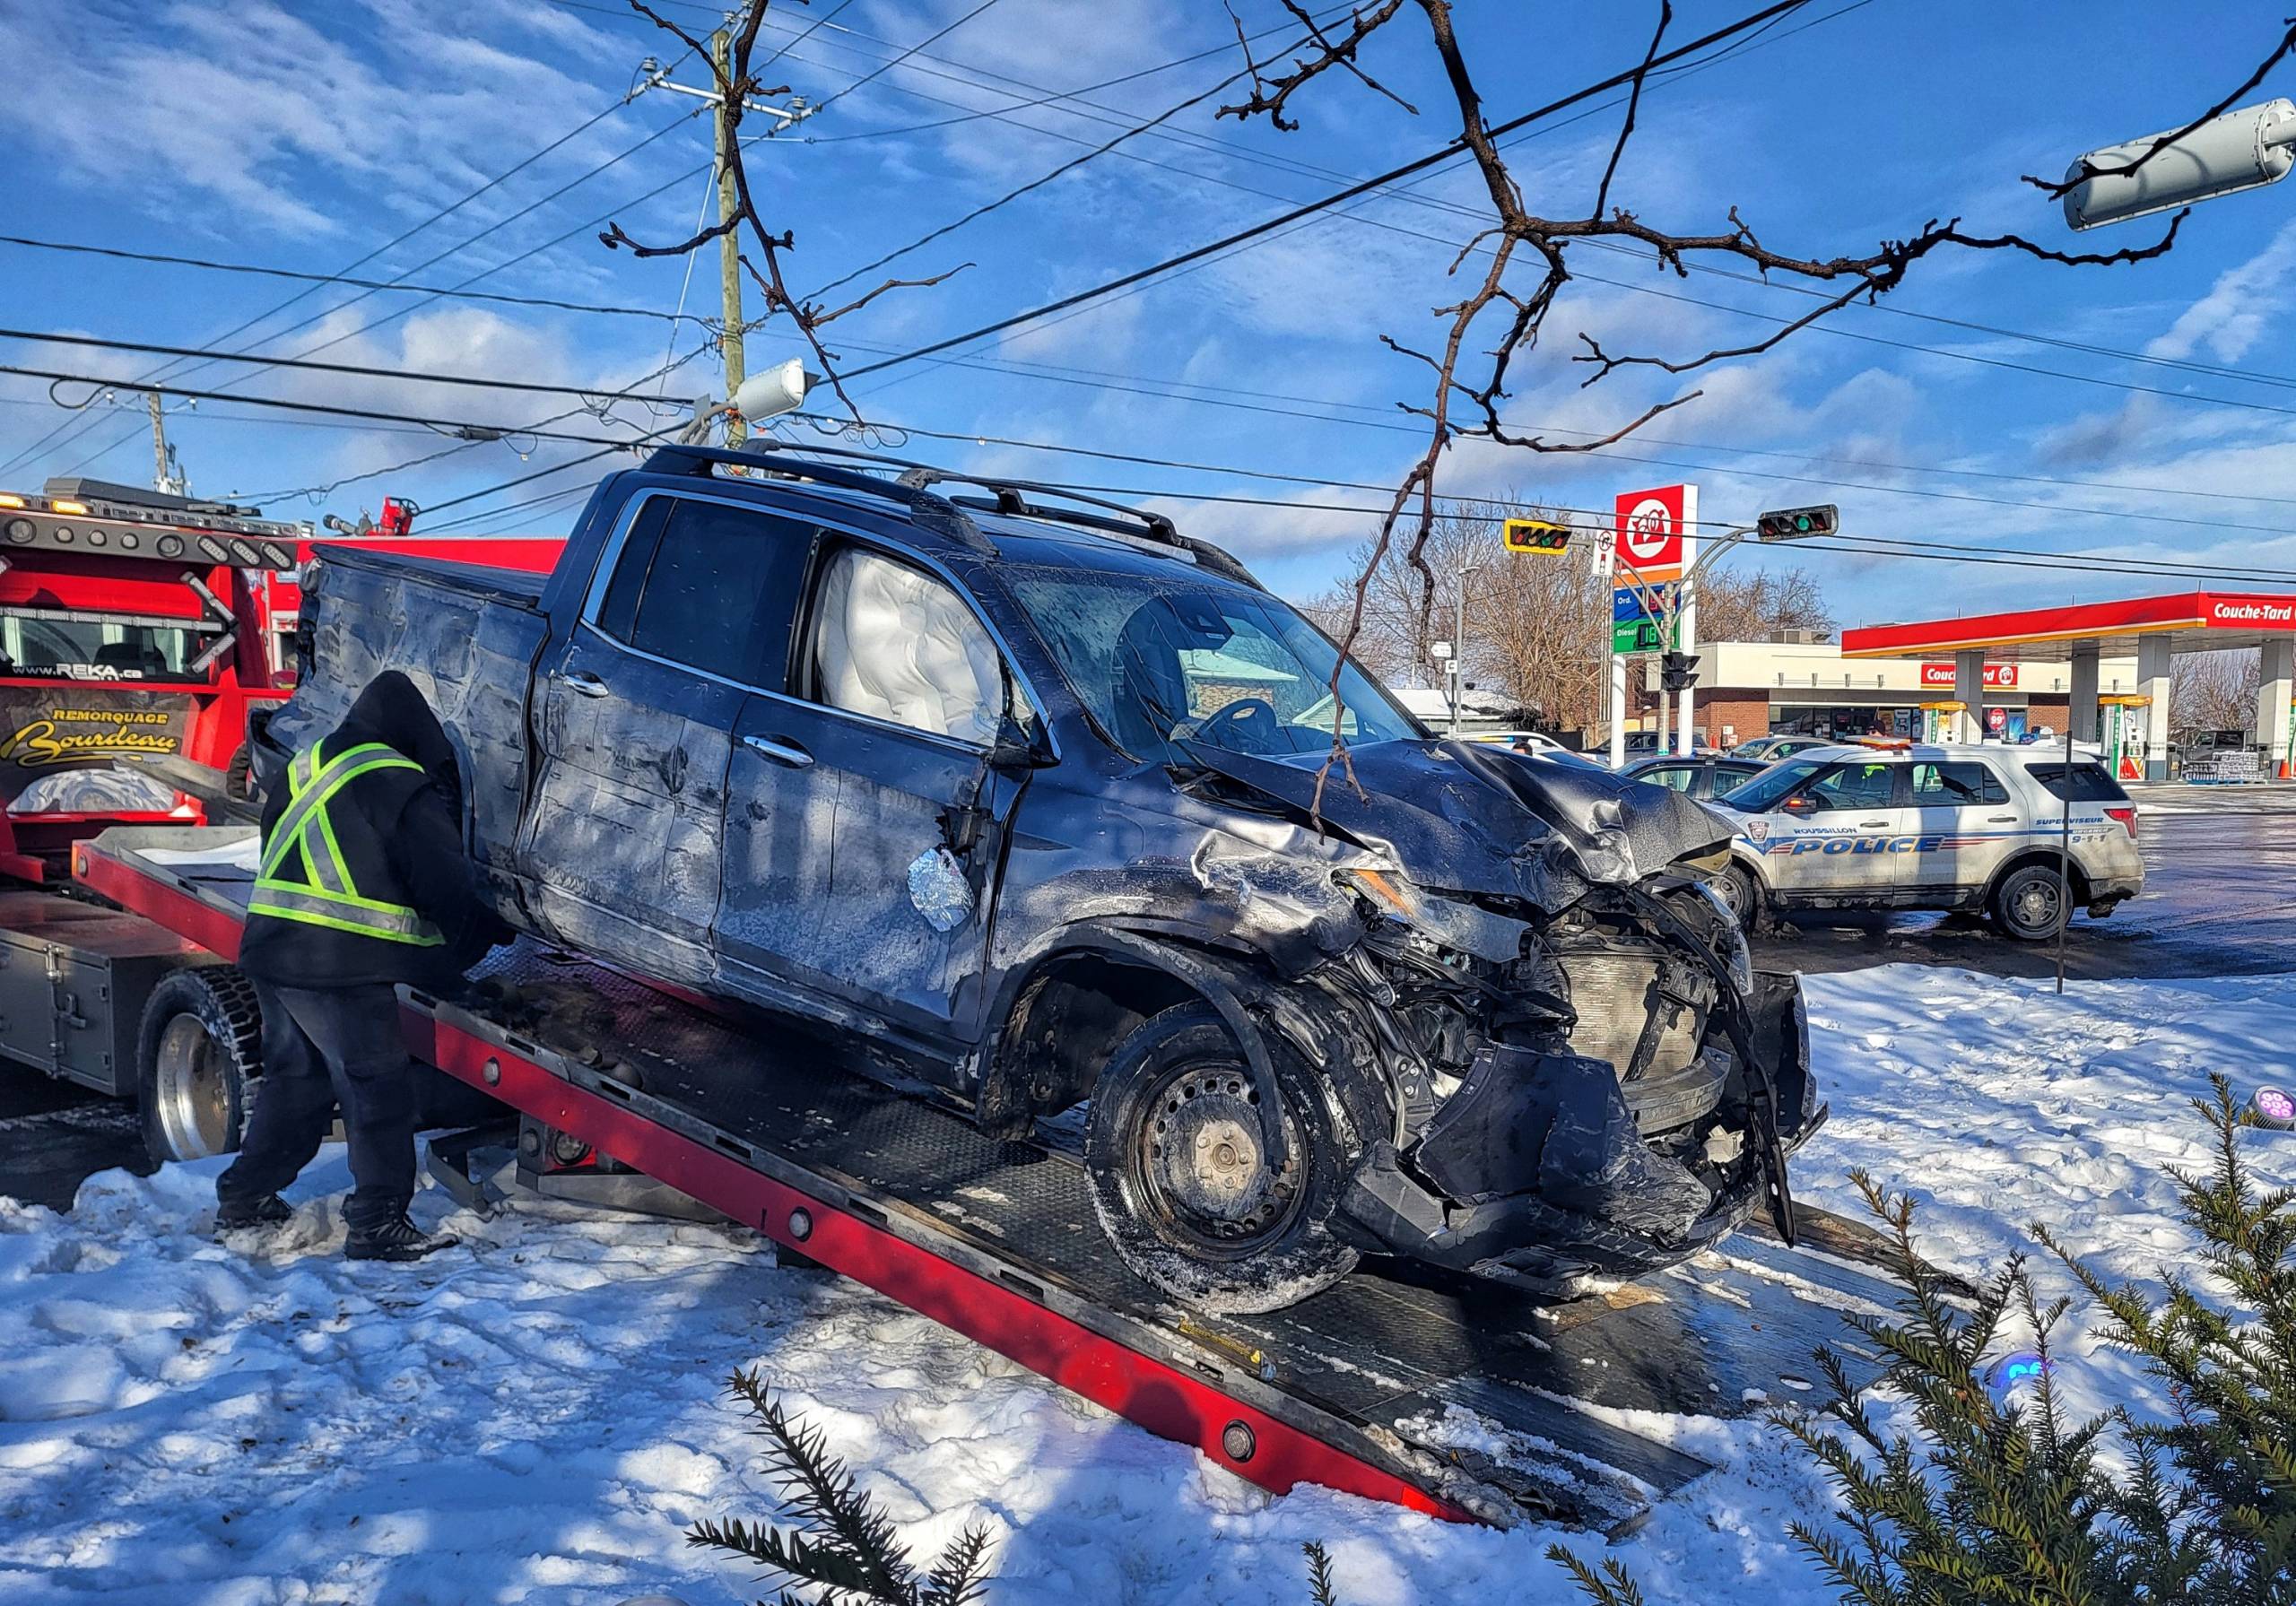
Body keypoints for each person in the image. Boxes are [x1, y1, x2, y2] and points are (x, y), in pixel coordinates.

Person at [214, 672, 511, 1262]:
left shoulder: (309, 764)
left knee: (295, 1084)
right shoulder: (397, 781)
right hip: (340, 961)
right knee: (377, 1092)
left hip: (273, 950)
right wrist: (485, 939)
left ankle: (243, 1198)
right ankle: (377, 1222)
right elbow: (444, 886)